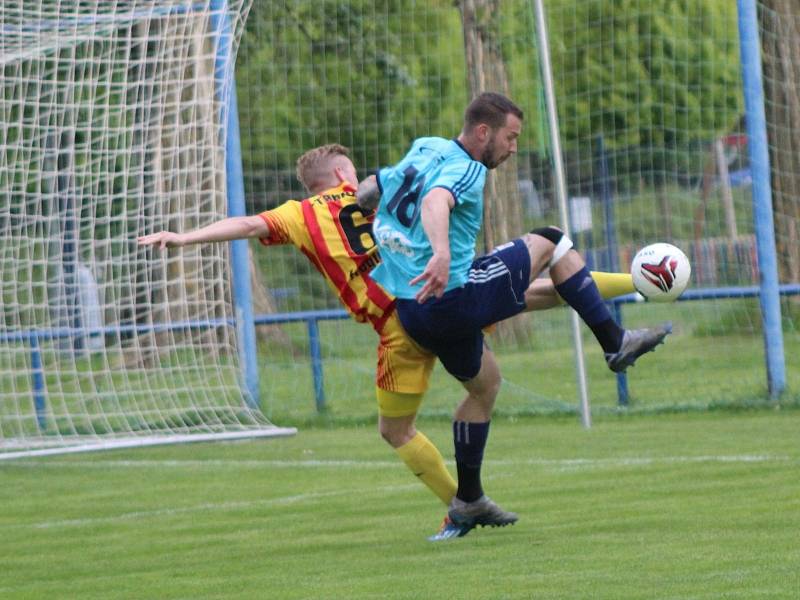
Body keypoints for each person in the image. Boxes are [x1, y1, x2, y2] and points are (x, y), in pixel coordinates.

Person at [138, 143, 642, 541]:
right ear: (342, 178)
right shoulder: (387, 196)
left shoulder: (300, 215)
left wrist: (184, 237)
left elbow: (248, 224)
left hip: (398, 327)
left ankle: (460, 505)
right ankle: (638, 283)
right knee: (534, 293)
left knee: (396, 430)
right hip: (438, 291)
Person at [358, 92, 671, 540]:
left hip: (414, 312)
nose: (513, 147)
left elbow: (373, 188)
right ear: (483, 132)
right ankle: (613, 341)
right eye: (511, 137)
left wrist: (364, 211)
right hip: (453, 294)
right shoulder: (466, 167)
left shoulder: (425, 146)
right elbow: (434, 203)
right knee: (552, 240)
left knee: (484, 386)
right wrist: (442, 252)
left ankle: (467, 500)